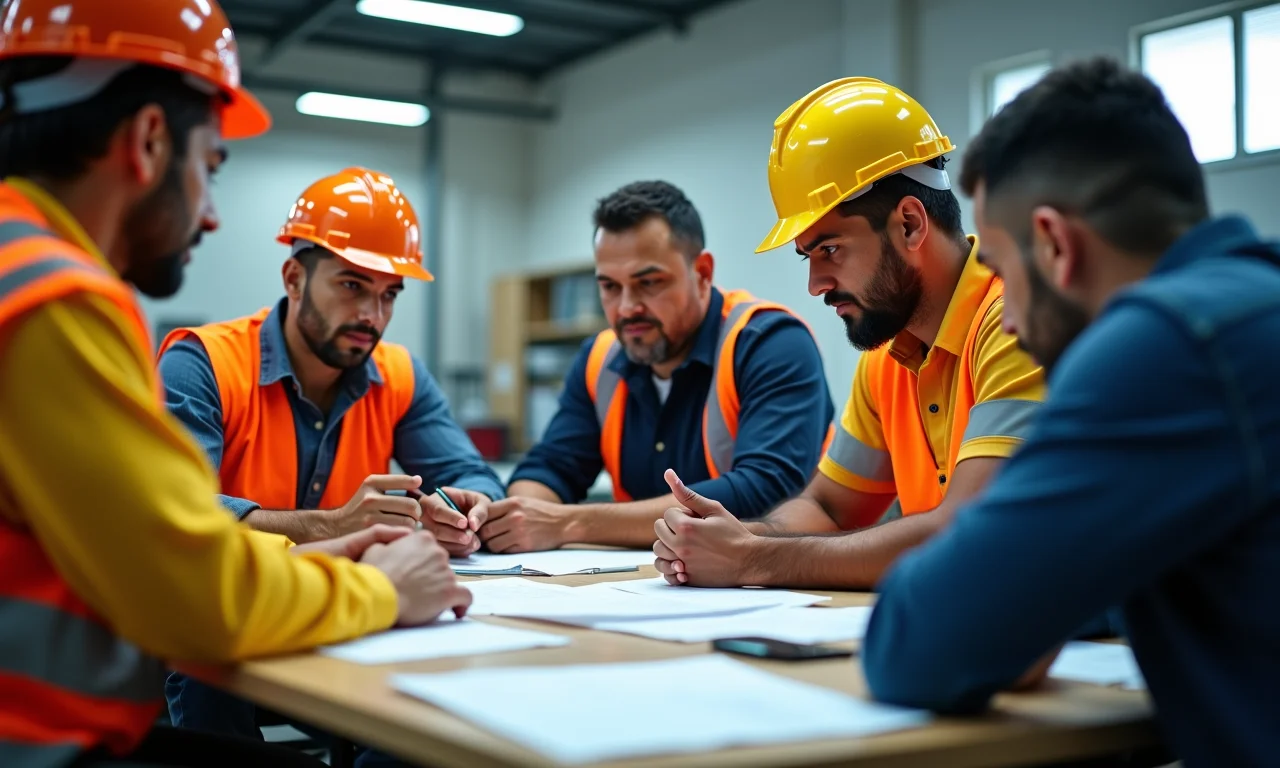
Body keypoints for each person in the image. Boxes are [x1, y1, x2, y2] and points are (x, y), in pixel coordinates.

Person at [0, 2, 471, 766]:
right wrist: (382, 589)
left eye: (389, 294)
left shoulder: (16, 264)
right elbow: (191, 591)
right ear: (150, 140)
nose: (212, 215)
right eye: (211, 168)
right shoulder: (50, 298)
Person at [861, 58, 1280, 767]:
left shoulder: (1165, 346)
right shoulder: (1248, 307)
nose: (1009, 319)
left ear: (1055, 244)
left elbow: (919, 643)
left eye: (999, 269)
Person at [653, 78, 1045, 589]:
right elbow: (828, 508)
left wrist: (753, 559)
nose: (815, 285)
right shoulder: (887, 360)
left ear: (910, 224)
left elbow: (973, 531)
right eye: (808, 257)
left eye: (830, 249)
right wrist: (728, 540)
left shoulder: (1018, 322)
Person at [155, 167, 503, 741]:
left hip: (342, 616)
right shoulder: (203, 363)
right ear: (294, 278)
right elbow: (173, 515)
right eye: (352, 286)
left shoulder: (399, 374)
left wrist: (468, 509)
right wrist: (329, 525)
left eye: (389, 294)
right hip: (220, 625)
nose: (373, 315)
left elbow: (472, 474)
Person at [479, 180, 836, 554]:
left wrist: (569, 522)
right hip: (643, 576)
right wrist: (520, 515)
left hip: (775, 576)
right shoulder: (600, 359)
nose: (626, 307)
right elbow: (549, 469)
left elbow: (765, 489)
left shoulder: (770, 342)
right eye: (610, 287)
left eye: (648, 283)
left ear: (702, 273)